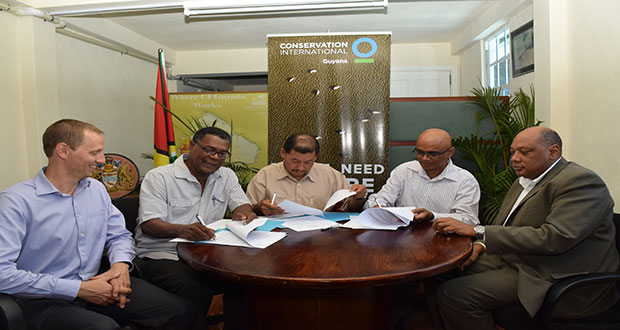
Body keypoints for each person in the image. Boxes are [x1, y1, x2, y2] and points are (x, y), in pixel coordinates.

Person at [0, 119, 194, 330]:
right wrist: (78, 289)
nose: (102, 160)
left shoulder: (96, 189)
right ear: (63, 151)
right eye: (94, 153)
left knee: (180, 311)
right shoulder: (16, 201)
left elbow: (119, 236)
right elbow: (3, 275)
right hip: (41, 299)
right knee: (103, 327)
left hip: (99, 283)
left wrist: (120, 266)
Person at [433, 126, 619, 330]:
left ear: (553, 152)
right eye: (513, 151)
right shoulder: (525, 179)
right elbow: (506, 226)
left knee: (453, 295)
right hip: (519, 258)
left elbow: (554, 238)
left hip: (554, 272)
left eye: (524, 152)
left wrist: (478, 231)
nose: (514, 158)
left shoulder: (579, 182)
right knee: (441, 270)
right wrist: (482, 246)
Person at [135, 126, 256, 330]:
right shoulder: (160, 177)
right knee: (192, 286)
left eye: (222, 153)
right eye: (209, 150)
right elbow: (149, 225)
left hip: (206, 255)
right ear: (192, 146)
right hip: (162, 254)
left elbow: (241, 204)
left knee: (244, 283)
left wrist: (244, 213)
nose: (215, 157)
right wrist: (182, 230)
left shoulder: (226, 176)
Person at [365, 128, 480, 225]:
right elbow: (379, 199)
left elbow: (469, 220)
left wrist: (433, 216)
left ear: (450, 152)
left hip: (444, 239)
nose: (425, 158)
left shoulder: (465, 181)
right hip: (402, 236)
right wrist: (377, 206)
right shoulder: (404, 171)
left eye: (433, 154)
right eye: (420, 152)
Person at [246, 133, 367, 215]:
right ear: (283, 153)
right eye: (295, 161)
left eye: (308, 162)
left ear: (316, 157)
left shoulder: (332, 176)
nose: (300, 167)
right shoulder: (265, 175)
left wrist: (359, 197)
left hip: (321, 238)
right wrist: (261, 209)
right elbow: (248, 209)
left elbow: (350, 209)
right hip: (277, 236)